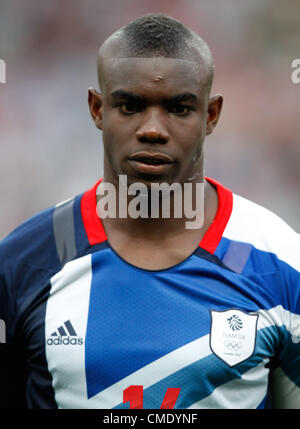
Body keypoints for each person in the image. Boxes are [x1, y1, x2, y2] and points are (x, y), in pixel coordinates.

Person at [0, 13, 299, 410]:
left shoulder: (281, 263)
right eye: (130, 105)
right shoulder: (24, 263)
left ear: (211, 115)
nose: (153, 129)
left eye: (178, 108)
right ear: (96, 108)